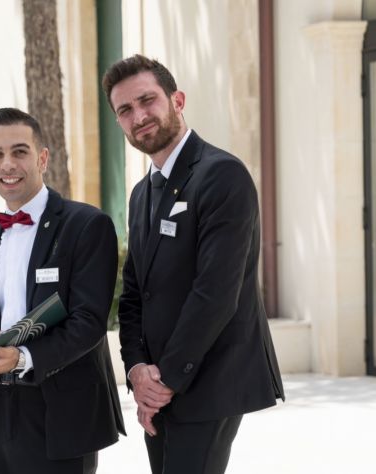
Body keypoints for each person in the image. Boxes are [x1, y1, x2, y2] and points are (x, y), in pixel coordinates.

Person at [102, 54, 285, 474]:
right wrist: (135, 371)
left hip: (208, 379)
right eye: (125, 110)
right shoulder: (141, 194)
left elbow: (215, 294)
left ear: (177, 100)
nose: (139, 116)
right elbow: (133, 293)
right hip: (158, 385)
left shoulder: (222, 175)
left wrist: (164, 381)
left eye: (148, 100)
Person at [0, 107, 125, 474]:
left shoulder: (87, 225)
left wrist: (22, 357)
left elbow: (89, 322)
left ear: (42, 158)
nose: (7, 164)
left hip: (63, 413)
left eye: (20, 151)